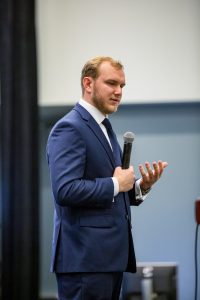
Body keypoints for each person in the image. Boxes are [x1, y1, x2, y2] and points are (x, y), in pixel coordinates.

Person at [46, 56, 168, 300]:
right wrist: (116, 184)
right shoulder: (70, 127)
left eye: (122, 86)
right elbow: (65, 190)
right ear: (88, 84)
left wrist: (139, 187)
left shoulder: (104, 126)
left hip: (108, 259)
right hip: (85, 260)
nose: (118, 91)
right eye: (112, 83)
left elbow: (111, 193)